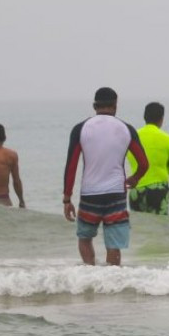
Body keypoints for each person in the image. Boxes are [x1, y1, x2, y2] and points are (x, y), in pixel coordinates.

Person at [63, 87, 148, 266]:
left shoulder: (80, 129)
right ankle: (111, 280)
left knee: (85, 237)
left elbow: (71, 165)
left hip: (89, 194)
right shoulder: (126, 129)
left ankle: (90, 272)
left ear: (94, 106)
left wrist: (67, 198)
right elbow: (144, 163)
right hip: (116, 194)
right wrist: (135, 177)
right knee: (113, 244)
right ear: (115, 105)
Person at [126, 102, 169, 215]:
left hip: (137, 187)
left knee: (139, 228)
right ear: (161, 119)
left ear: (144, 117)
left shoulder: (132, 137)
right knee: (160, 227)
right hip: (159, 190)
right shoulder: (168, 139)